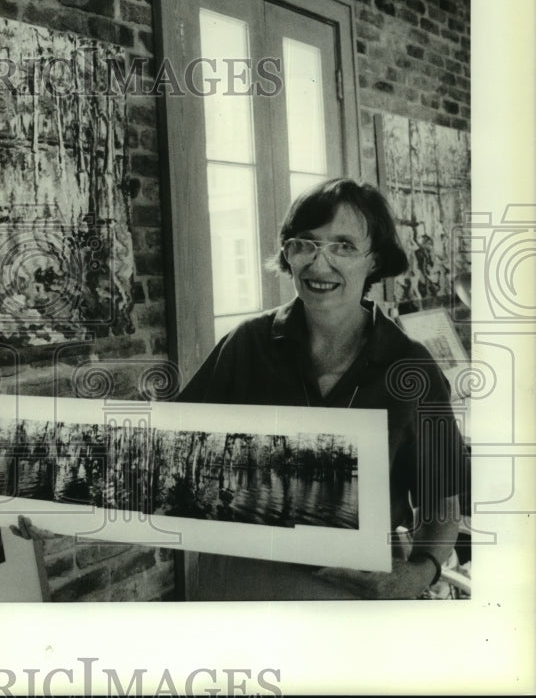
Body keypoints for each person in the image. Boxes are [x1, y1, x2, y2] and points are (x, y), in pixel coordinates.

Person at [178, 177, 469, 599]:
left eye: (344, 246)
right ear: (288, 255)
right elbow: (171, 456)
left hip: (353, 591)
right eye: (305, 243)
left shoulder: (411, 368)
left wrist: (419, 573)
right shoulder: (246, 344)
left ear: (375, 261)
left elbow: (442, 507)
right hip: (241, 582)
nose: (319, 263)